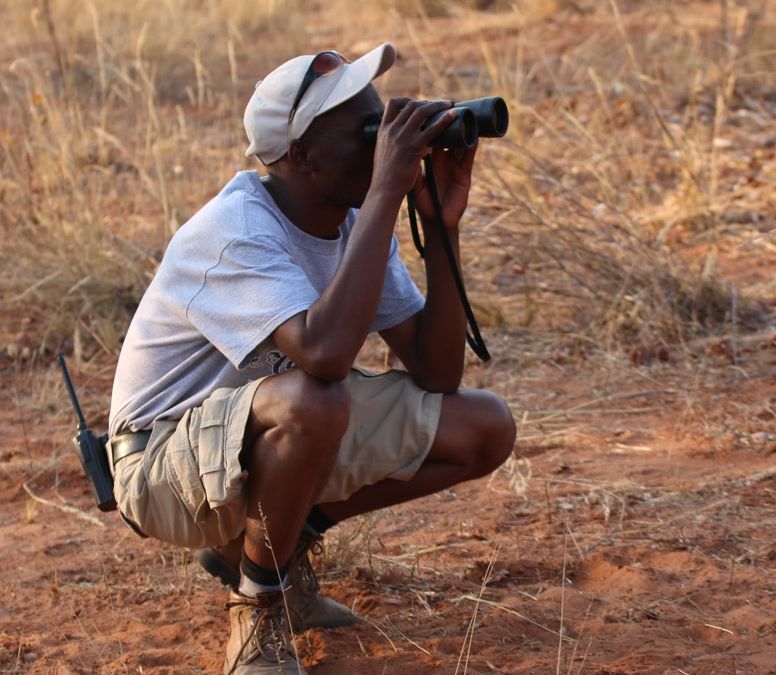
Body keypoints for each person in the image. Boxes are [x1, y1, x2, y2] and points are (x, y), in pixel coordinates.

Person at [107, 42, 516, 674]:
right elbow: (323, 357)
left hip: (262, 438)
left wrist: (440, 226)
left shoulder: (351, 219)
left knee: (485, 427)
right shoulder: (235, 230)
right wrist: (385, 192)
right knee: (315, 396)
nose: (384, 145)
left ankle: (272, 543)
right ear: (300, 155)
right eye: (366, 133)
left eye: (381, 123)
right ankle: (260, 611)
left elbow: (438, 373)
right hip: (160, 465)